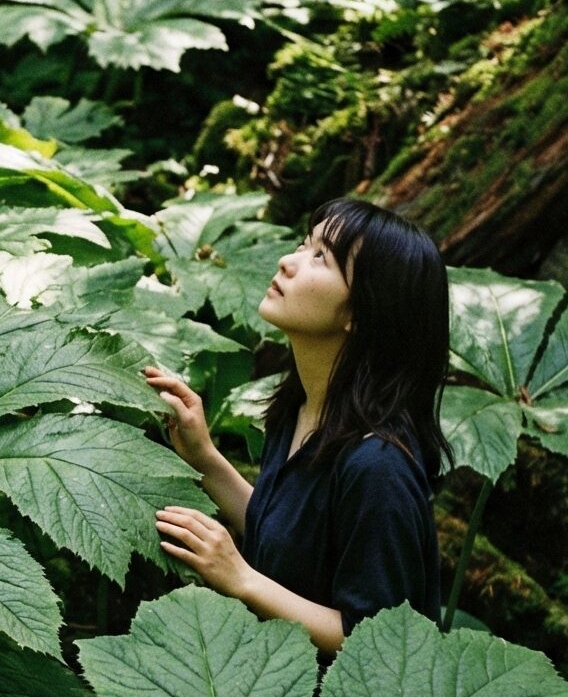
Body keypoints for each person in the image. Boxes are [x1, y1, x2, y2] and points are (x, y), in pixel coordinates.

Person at [144, 196, 450, 657]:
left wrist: (241, 579)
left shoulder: (378, 467)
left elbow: (376, 644)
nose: (287, 262)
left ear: (360, 312)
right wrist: (204, 458)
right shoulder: (302, 408)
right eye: (303, 245)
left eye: (320, 258)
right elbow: (288, 539)